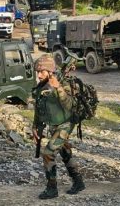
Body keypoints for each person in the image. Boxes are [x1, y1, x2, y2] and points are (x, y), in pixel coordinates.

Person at [32, 55, 85, 199]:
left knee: (48, 152)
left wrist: (59, 88)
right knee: (65, 151)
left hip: (66, 123)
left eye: (42, 71)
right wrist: (35, 126)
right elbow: (39, 107)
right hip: (54, 124)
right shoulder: (42, 85)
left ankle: (52, 189)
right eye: (38, 72)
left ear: (50, 71)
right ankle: (78, 182)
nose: (39, 75)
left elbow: (69, 106)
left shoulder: (62, 83)